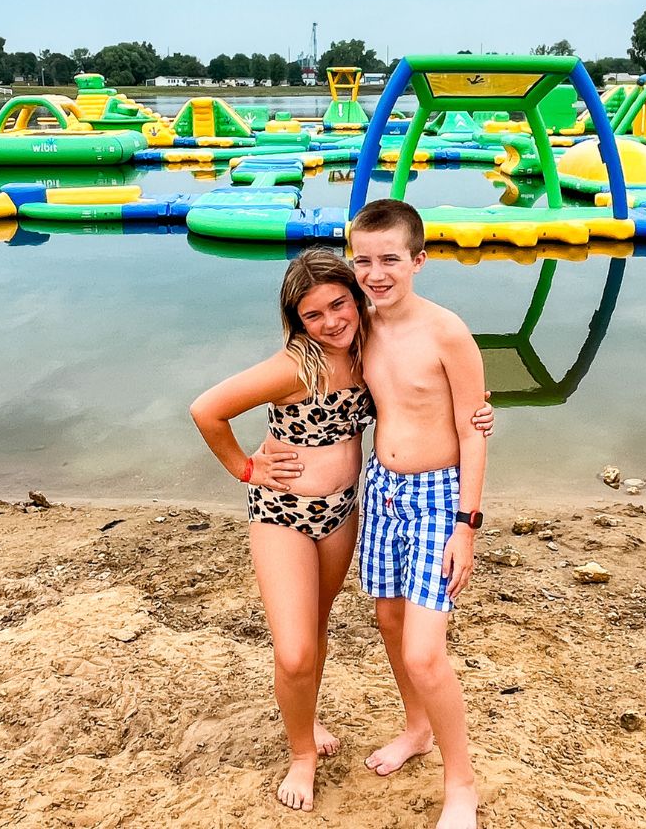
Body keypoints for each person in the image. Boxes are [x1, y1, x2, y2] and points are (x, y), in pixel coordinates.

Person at [189, 248, 492, 814]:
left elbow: (420, 389)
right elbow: (207, 409)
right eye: (313, 315)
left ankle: (313, 717)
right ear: (296, 322)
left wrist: (478, 411)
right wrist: (245, 468)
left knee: (318, 625)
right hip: (284, 514)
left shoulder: (367, 346)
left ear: (355, 297)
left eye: (338, 303)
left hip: (344, 512)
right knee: (297, 650)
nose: (331, 321)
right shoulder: (296, 366)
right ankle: (302, 754)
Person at [349, 198, 487, 829]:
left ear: (419, 261)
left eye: (390, 260)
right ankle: (416, 729)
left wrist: (468, 523)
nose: (376, 273)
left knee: (426, 653)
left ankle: (461, 787)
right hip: (380, 490)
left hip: (438, 498)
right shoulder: (359, 325)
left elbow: (472, 426)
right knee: (390, 623)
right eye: (364, 260)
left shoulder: (447, 331)